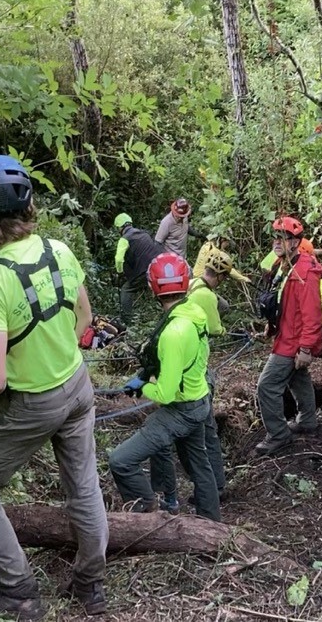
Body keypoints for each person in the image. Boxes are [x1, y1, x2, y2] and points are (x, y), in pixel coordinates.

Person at [0, 155, 108, 619]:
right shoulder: (59, 251)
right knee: (84, 486)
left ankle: (19, 591)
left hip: (32, 402)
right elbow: (84, 321)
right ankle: (91, 584)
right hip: (78, 387)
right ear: (30, 204)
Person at [107, 254, 221, 521]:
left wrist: (142, 387)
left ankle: (148, 513)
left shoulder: (173, 332)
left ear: (152, 287)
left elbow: (165, 393)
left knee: (120, 461)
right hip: (199, 400)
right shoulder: (193, 312)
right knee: (199, 466)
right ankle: (210, 522)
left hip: (181, 408)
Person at [149, 248, 234, 511]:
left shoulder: (193, 287)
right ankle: (215, 488)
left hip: (185, 375)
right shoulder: (205, 296)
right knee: (206, 435)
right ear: (219, 277)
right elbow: (215, 329)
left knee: (193, 440)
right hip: (195, 376)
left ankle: (198, 492)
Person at [254, 216, 322, 456]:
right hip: (286, 334)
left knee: (267, 386)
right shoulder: (286, 266)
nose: (277, 242)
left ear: (295, 242)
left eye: (283, 238)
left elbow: (312, 313)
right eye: (275, 237)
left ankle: (278, 435)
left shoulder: (305, 271)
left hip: (293, 341)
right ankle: (307, 421)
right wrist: (272, 327)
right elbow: (287, 304)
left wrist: (306, 348)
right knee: (298, 378)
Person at [114, 212, 167, 325]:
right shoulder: (144, 233)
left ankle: (127, 321)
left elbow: (119, 259)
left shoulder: (125, 239)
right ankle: (167, 314)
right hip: (158, 266)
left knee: (126, 289)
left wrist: (119, 273)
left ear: (119, 228)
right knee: (157, 290)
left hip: (144, 271)